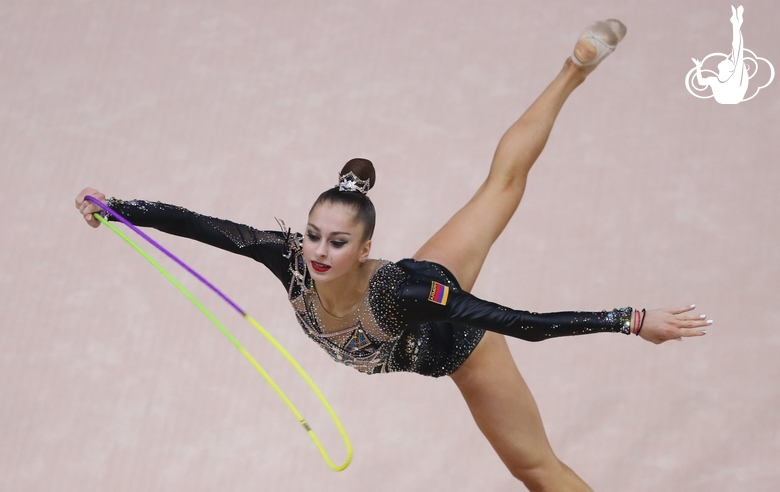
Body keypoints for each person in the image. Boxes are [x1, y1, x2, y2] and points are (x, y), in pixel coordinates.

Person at [76, 19, 712, 491]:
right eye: (314, 234)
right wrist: (119, 207)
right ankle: (576, 66)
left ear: (366, 248)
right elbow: (203, 226)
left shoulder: (402, 290)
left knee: (536, 470)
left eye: (338, 242)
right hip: (418, 295)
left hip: (454, 338)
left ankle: (575, 70)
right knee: (495, 186)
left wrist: (628, 319)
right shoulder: (292, 259)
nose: (319, 252)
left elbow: (520, 322)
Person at [692, 5, 749, 104]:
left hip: (731, 97)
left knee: (737, 51)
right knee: (737, 51)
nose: (725, 59)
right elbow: (701, 82)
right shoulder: (717, 80)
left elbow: (737, 49)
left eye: (727, 61)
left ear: (729, 69)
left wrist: (698, 68)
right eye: (728, 61)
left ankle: (736, 23)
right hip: (730, 97)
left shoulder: (728, 78)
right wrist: (698, 67)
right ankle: (736, 23)